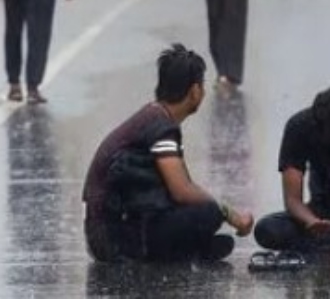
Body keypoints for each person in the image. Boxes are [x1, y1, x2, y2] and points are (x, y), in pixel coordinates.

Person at [82, 44, 254, 263]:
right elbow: (182, 190)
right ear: (194, 91)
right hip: (116, 240)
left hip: (105, 235)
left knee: (206, 221)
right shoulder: (161, 127)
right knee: (208, 213)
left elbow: (182, 184)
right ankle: (177, 253)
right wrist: (228, 213)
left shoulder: (154, 117)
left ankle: (185, 252)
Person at [253, 89, 330, 256]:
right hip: (325, 213)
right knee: (267, 230)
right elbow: (292, 199)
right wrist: (312, 222)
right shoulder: (299, 127)